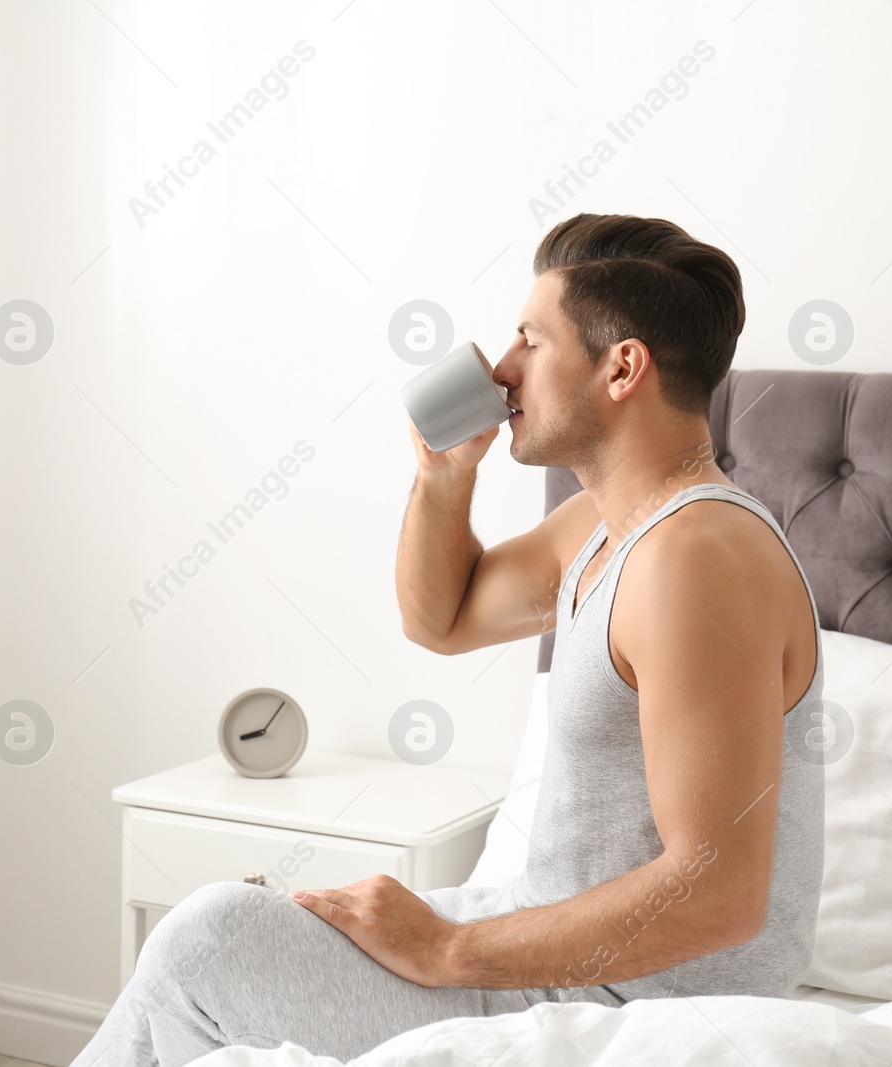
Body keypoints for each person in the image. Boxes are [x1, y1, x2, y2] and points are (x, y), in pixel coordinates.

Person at [71, 213, 824, 1066]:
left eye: (531, 341)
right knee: (224, 942)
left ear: (623, 367)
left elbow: (720, 894)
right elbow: (442, 618)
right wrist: (443, 473)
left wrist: (446, 949)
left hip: (648, 999)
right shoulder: (609, 526)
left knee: (207, 942)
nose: (502, 369)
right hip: (553, 940)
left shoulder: (697, 558)